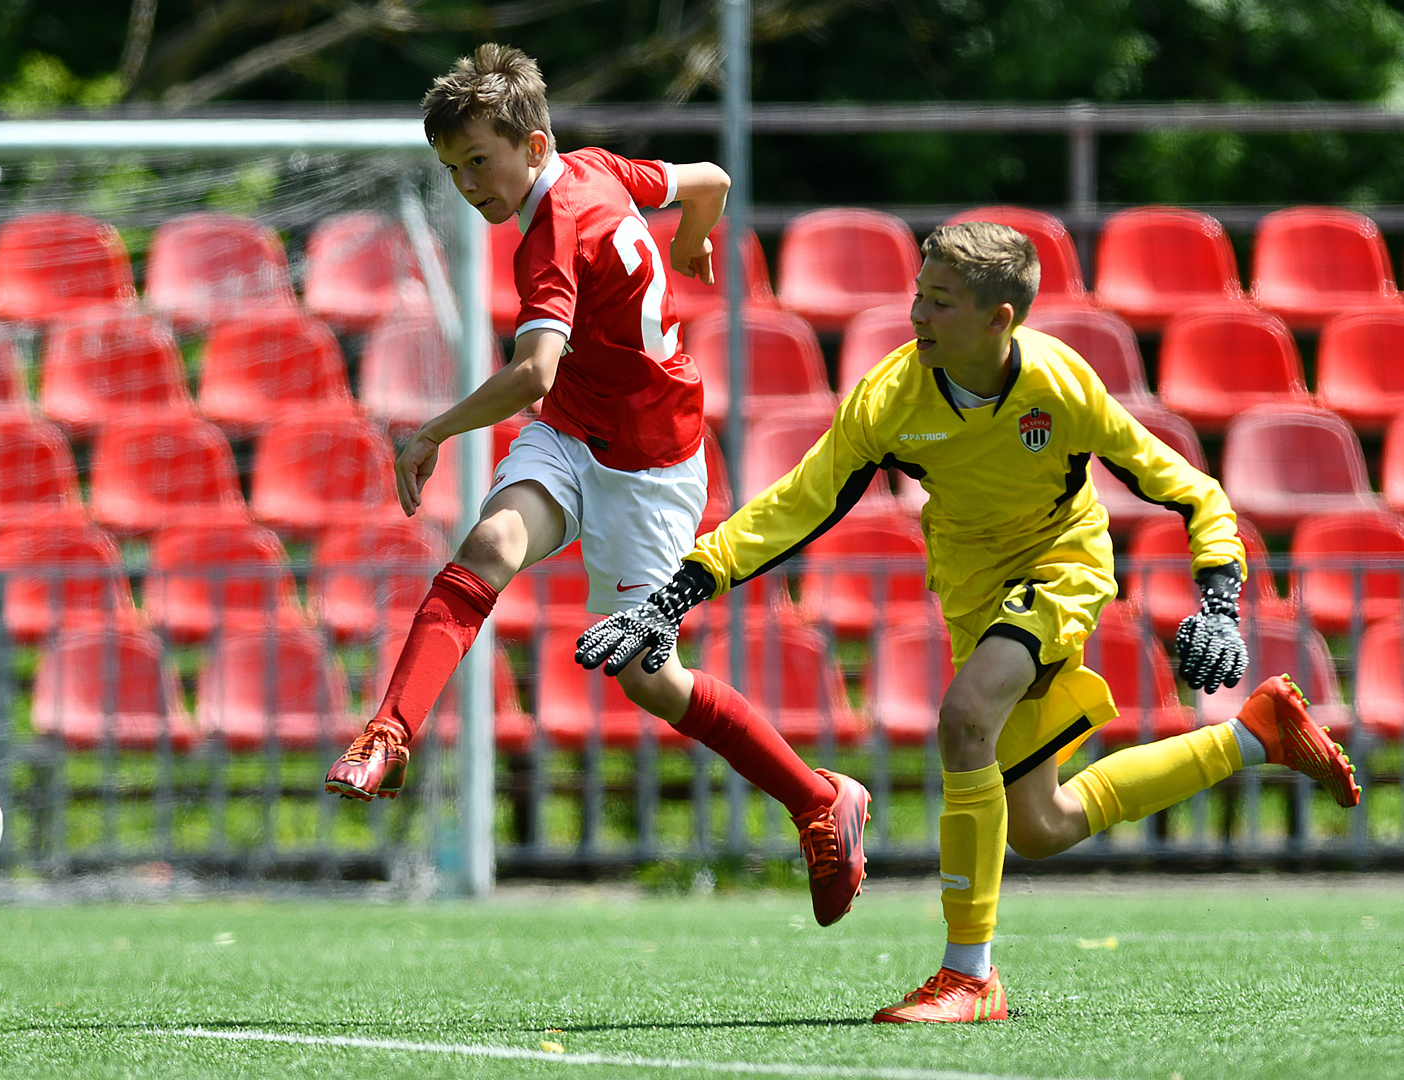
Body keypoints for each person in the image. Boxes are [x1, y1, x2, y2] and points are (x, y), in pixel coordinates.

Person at [576, 220, 1362, 1022]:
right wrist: (671, 596)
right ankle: (1255, 734)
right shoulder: (891, 398)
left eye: (940, 303)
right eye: (918, 294)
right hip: (971, 591)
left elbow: (1192, 490)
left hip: (1063, 570)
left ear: (1000, 320)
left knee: (962, 720)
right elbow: (793, 508)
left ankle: (969, 977)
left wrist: (1221, 604)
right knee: (1044, 826)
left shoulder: (1061, 387)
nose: (916, 316)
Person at [324, 43, 870, 927]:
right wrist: (692, 242)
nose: (467, 184)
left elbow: (533, 372)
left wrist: (430, 431)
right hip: (576, 436)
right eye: (453, 168)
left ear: (532, 147)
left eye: (478, 162)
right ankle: (388, 732)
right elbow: (710, 180)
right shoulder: (594, 168)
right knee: (489, 544)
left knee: (652, 683)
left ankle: (817, 798)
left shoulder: (552, 229)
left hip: (650, 470)